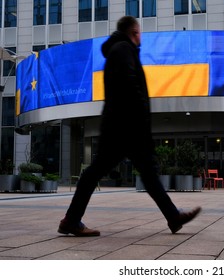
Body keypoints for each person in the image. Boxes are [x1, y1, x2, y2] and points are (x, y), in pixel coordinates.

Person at [58, 16, 201, 237]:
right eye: (140, 32)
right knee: (102, 171)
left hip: (121, 124)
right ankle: (71, 220)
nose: (141, 36)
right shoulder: (124, 49)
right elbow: (130, 87)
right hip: (125, 126)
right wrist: (142, 122)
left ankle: (173, 216)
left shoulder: (120, 50)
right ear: (134, 32)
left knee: (145, 173)